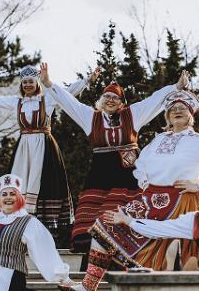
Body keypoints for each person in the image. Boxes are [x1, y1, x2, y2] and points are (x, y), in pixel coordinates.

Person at [58, 91, 199, 291]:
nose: (177, 111)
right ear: (167, 116)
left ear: (191, 115)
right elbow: (140, 164)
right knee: (104, 226)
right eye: (172, 109)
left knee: (162, 249)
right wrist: (143, 181)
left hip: (180, 200)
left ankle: (135, 290)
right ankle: (89, 287)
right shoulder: (159, 139)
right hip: (150, 197)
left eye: (182, 108)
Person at [40, 64, 190, 254]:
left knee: (123, 217)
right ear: (101, 101)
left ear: (121, 102)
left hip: (127, 176)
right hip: (100, 176)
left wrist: (175, 87)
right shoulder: (90, 117)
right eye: (107, 97)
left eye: (115, 97)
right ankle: (93, 261)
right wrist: (48, 84)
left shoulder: (132, 115)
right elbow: (69, 102)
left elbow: (154, 100)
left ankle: (125, 258)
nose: (111, 100)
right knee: (92, 219)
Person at [0, 64, 99, 239]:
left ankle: (40, 233)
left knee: (40, 184)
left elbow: (68, 93)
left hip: (44, 146)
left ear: (37, 82)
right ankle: (20, 225)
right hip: (24, 148)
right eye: (24, 83)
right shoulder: (18, 102)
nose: (27, 85)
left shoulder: (48, 99)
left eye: (31, 82)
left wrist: (86, 81)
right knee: (21, 182)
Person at [105, 165, 199, 271]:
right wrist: (127, 220)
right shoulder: (196, 220)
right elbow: (160, 228)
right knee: (195, 266)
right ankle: (176, 268)